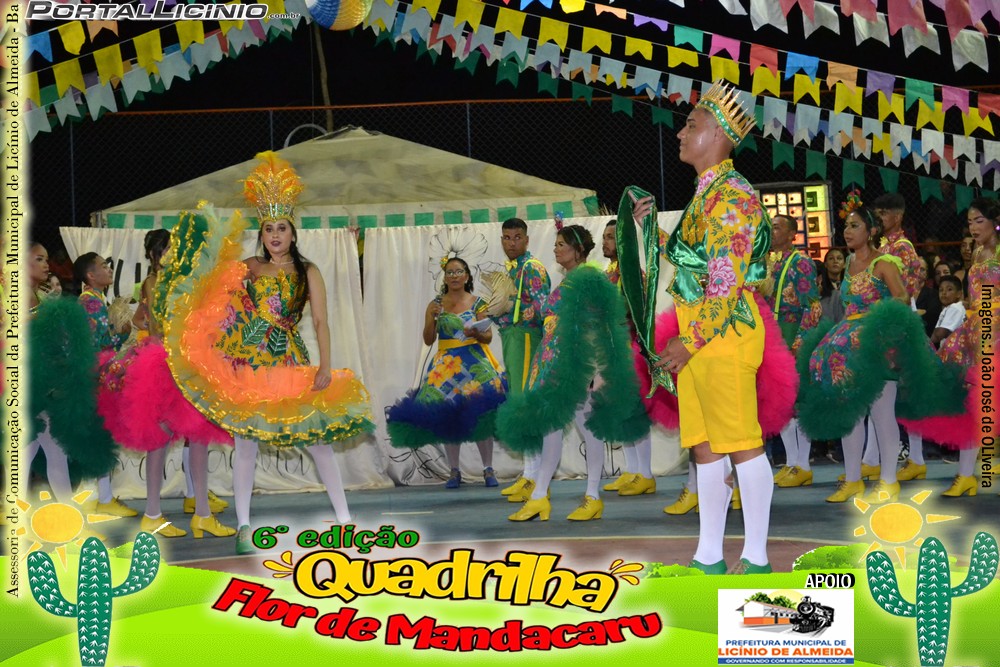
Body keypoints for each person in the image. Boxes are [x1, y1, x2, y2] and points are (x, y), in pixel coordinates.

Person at [158, 152, 376, 554]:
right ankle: (243, 526)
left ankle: (345, 521)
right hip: (249, 365)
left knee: (318, 442)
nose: (275, 235)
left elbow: (321, 322)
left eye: (282, 228)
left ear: (293, 233)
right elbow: (217, 300)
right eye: (268, 228)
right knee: (246, 446)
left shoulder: (308, 271)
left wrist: (325, 367)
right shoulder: (249, 267)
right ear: (261, 233)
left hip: (290, 363)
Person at [633, 81, 774, 574]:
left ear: (717, 134)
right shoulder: (709, 192)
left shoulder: (732, 195)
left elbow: (725, 281)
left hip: (722, 333)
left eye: (690, 124)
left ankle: (756, 559)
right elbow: (698, 261)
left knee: (741, 442)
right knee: (706, 445)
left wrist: (690, 342)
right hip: (703, 333)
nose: (680, 133)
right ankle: (709, 556)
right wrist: (651, 231)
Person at [498, 224, 649, 521]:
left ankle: (592, 496)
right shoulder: (570, 279)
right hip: (556, 364)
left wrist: (598, 369)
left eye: (561, 244)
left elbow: (602, 324)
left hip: (579, 365)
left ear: (578, 249)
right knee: (551, 428)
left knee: (588, 430)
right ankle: (540, 496)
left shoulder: (590, 278)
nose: (555, 249)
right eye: (555, 244)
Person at [798, 204, 943, 504]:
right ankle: (853, 480)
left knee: (881, 413)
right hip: (847, 348)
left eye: (854, 226)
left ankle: (888, 481)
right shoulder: (850, 262)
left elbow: (902, 297)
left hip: (877, 344)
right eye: (846, 226)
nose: (847, 232)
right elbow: (848, 308)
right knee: (849, 413)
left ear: (872, 230)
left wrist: (876, 321)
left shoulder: (884, 263)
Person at [96, 229, 235, 539]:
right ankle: (153, 514)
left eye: (175, 248)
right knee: (159, 438)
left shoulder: (181, 280)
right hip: (165, 365)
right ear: (154, 254)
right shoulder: (155, 282)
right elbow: (162, 325)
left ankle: (202, 514)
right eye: (166, 249)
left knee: (199, 436)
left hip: (187, 361)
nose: (172, 254)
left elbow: (149, 318)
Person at [904, 199, 1000, 495]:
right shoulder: (978, 253)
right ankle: (966, 475)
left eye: (979, 221)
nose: (973, 228)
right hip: (978, 330)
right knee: (971, 402)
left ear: (995, 221)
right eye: (970, 222)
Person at [386, 256, 506, 488]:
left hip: (474, 365)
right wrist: (432, 318)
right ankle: (454, 470)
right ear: (445, 277)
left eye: (458, 271)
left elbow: (488, 337)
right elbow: (428, 339)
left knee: (481, 415)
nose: (454, 276)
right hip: (446, 367)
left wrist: (476, 333)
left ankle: (488, 469)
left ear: (467, 276)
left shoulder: (478, 303)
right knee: (449, 415)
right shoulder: (436, 304)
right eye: (449, 272)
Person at [26, 242, 117, 504]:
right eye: (39, 259)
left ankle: (67, 512)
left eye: (46, 259)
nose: (46, 265)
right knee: (33, 448)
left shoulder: (41, 297)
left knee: (51, 447)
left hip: (46, 381)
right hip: (27, 381)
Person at [490, 218, 551, 502]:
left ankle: (535, 477)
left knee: (526, 403)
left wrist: (511, 307)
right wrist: (492, 311)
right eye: (506, 237)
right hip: (512, 338)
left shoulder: (533, 267)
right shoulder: (512, 269)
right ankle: (529, 473)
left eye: (517, 237)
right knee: (519, 402)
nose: (511, 243)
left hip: (527, 338)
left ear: (526, 239)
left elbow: (544, 307)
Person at [74, 251, 138, 518]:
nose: (109, 268)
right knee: (101, 435)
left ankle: (102, 496)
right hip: (96, 374)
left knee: (101, 434)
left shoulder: (96, 299)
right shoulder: (90, 302)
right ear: (90, 275)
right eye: (103, 266)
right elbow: (97, 343)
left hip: (97, 373)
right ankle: (102, 498)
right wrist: (122, 335)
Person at [765, 214, 823, 489]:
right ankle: (791, 462)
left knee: (797, 398)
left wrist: (801, 341)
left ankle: (803, 465)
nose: (772, 232)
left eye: (777, 228)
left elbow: (812, 306)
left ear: (791, 235)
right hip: (772, 333)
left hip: (792, 331)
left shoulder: (801, 262)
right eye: (770, 227)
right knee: (779, 400)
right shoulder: (765, 263)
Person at [601, 219, 656, 497]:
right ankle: (632, 470)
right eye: (604, 236)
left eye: (611, 237)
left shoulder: (634, 273)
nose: (605, 242)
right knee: (622, 410)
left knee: (635, 410)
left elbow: (641, 313)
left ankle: (646, 474)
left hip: (630, 347)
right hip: (613, 349)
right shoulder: (608, 273)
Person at [930, 275, 965, 348]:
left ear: (959, 294)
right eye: (941, 290)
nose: (944, 293)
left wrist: (925, 342)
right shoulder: (949, 308)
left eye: (949, 289)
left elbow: (939, 335)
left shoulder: (955, 308)